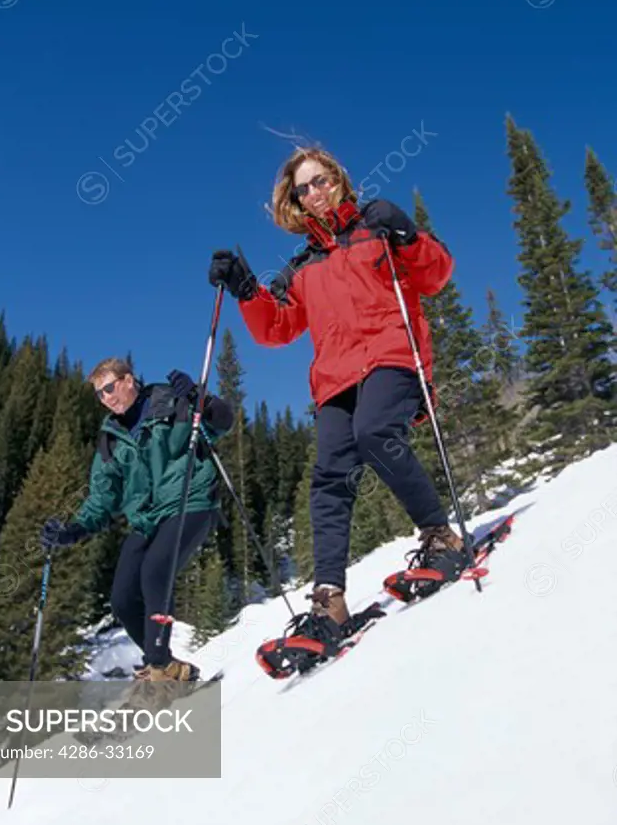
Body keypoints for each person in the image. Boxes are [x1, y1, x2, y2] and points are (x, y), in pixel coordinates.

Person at [208, 146, 468, 633]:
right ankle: (330, 601)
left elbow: (436, 275)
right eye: (304, 188)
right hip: (335, 378)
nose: (315, 192)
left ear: (340, 180)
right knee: (329, 477)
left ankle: (440, 536)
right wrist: (247, 291)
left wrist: (407, 233)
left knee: (374, 433)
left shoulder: (376, 228)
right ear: (297, 201)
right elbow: (276, 330)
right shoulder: (303, 265)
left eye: (321, 180)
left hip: (393, 355)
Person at [40, 357, 234, 681]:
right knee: (122, 599)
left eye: (110, 388)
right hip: (148, 518)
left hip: (190, 502)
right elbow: (102, 497)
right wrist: (73, 530)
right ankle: (168, 666)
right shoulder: (111, 438)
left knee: (155, 570)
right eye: (100, 394)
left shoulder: (172, 402)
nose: (107, 398)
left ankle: (157, 669)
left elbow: (222, 422)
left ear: (129, 380)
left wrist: (201, 399)